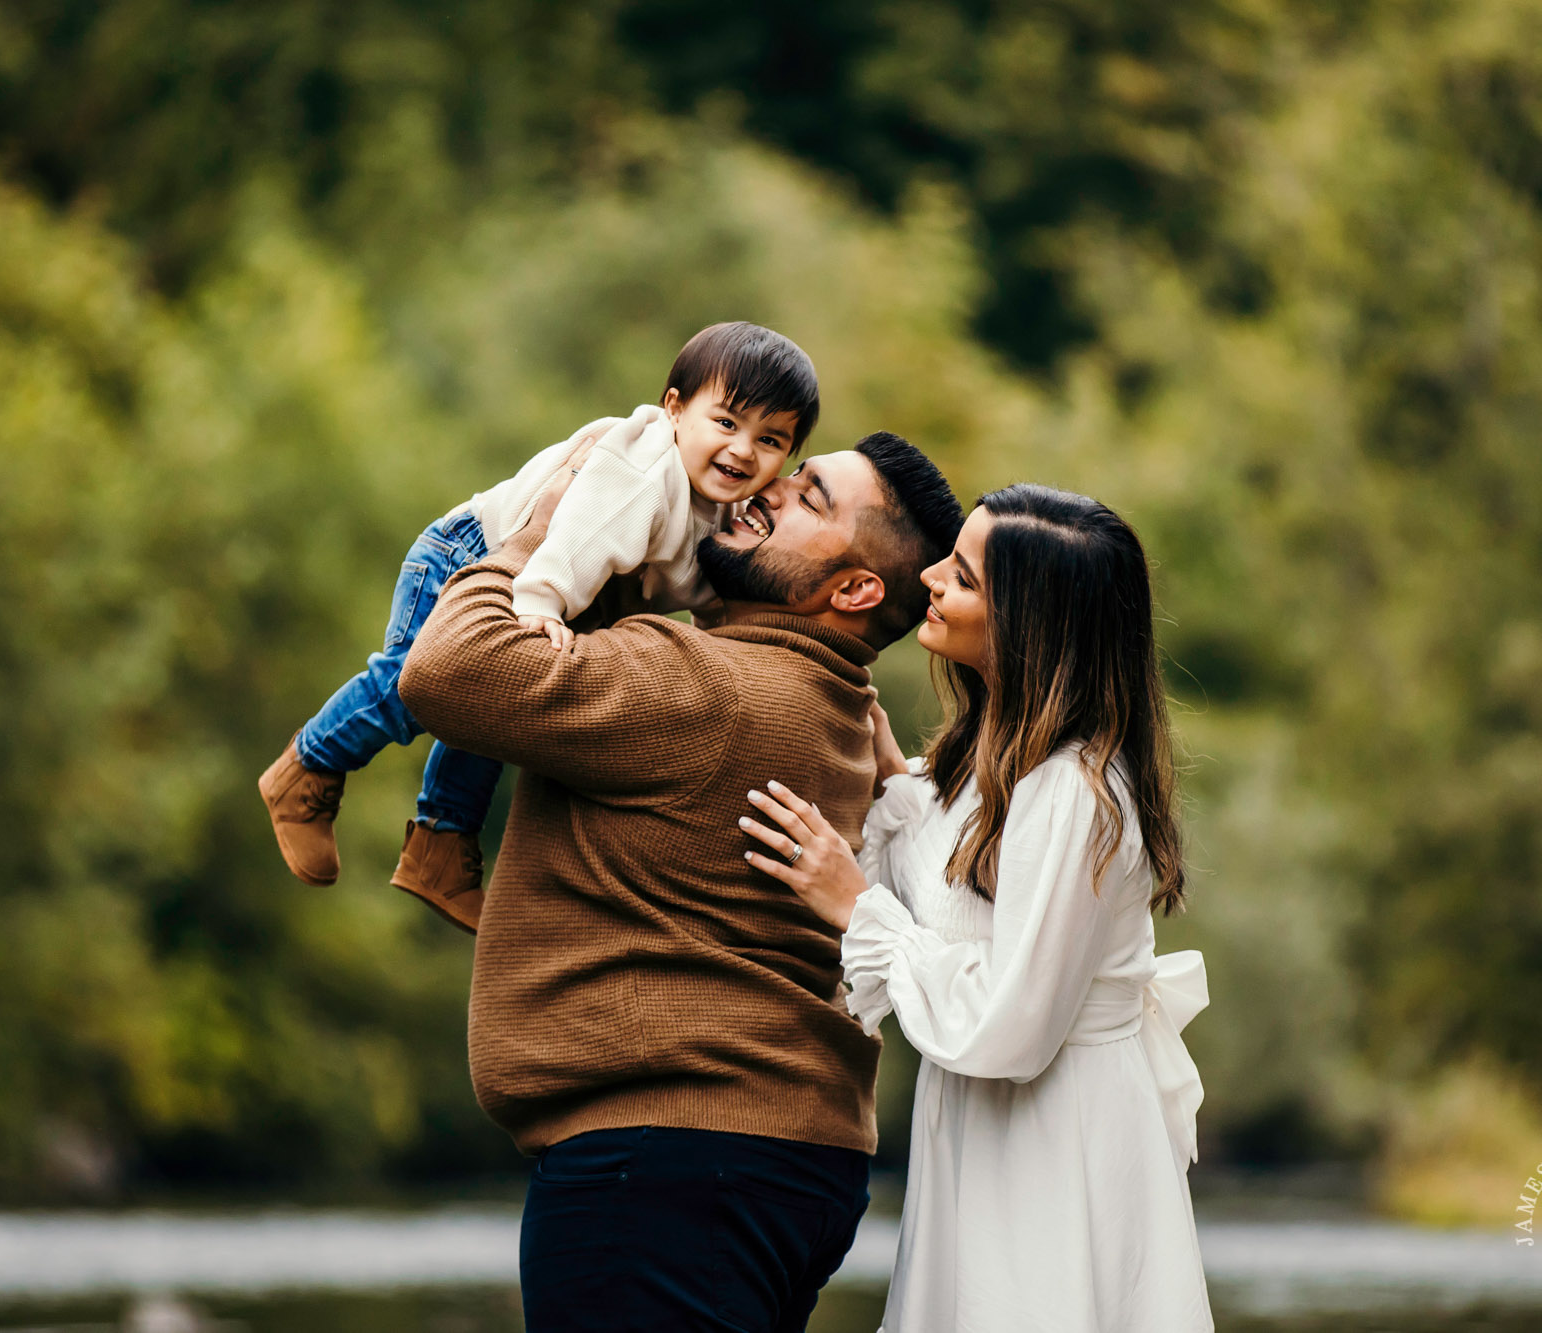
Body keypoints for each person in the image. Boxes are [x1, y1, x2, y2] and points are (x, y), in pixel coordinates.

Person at [395, 431, 963, 1332]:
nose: (767, 489)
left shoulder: (703, 683)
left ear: (855, 590)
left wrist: (540, 533)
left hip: (662, 1167)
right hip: (763, 1156)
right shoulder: (843, 708)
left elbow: (447, 668)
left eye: (808, 498)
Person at [740, 484, 1215, 1332]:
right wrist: (882, 771)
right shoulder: (978, 768)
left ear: (1026, 626)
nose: (927, 575)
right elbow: (944, 879)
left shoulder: (1076, 793)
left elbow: (1012, 1028)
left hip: (1052, 1144)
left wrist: (858, 910)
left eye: (960, 575)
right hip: (983, 1135)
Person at [257, 321, 820, 928]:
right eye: (727, 423)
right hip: (472, 555)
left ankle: (442, 845)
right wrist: (544, 600)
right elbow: (584, 531)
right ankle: (309, 766)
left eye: (771, 439)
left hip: (539, 585)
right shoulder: (643, 464)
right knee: (416, 683)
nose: (742, 450)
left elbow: (708, 595)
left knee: (489, 714)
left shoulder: (725, 504)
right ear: (675, 408)